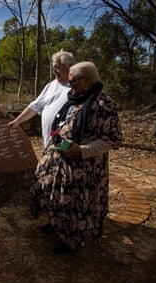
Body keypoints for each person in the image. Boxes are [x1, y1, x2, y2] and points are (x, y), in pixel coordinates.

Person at [30, 61, 122, 254]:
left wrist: (81, 149)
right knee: (56, 196)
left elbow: (112, 140)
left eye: (73, 82)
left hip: (84, 167)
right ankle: (56, 224)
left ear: (87, 80)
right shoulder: (75, 99)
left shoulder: (102, 103)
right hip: (62, 159)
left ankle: (71, 239)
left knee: (74, 203)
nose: (69, 86)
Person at [6, 51, 76, 148]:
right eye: (53, 68)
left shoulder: (77, 88)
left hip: (66, 146)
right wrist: (17, 121)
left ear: (70, 67)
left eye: (58, 67)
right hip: (48, 144)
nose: (54, 71)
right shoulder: (50, 86)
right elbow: (35, 107)